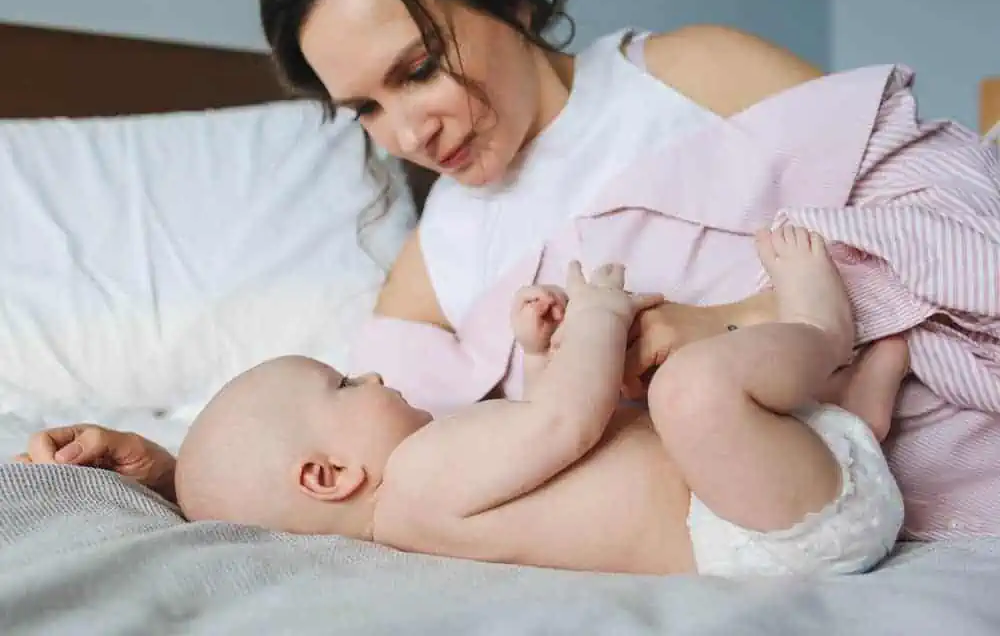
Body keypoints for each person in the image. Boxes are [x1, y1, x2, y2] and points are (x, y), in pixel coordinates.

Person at [16, 0, 1000, 539]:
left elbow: (957, 215)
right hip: (760, 511)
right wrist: (167, 461)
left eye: (417, 69)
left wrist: (737, 319)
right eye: (361, 107)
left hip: (906, 438)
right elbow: (342, 460)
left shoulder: (690, 74)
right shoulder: (436, 257)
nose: (407, 133)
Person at [172, 227, 904, 577]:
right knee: (688, 389)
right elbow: (566, 422)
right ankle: (820, 330)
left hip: (776, 496)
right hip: (771, 524)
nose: (370, 379)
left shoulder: (425, 513)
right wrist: (596, 318)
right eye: (343, 384)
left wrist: (542, 353)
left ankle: (849, 419)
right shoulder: (418, 479)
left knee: (686, 405)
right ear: (329, 475)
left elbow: (544, 447)